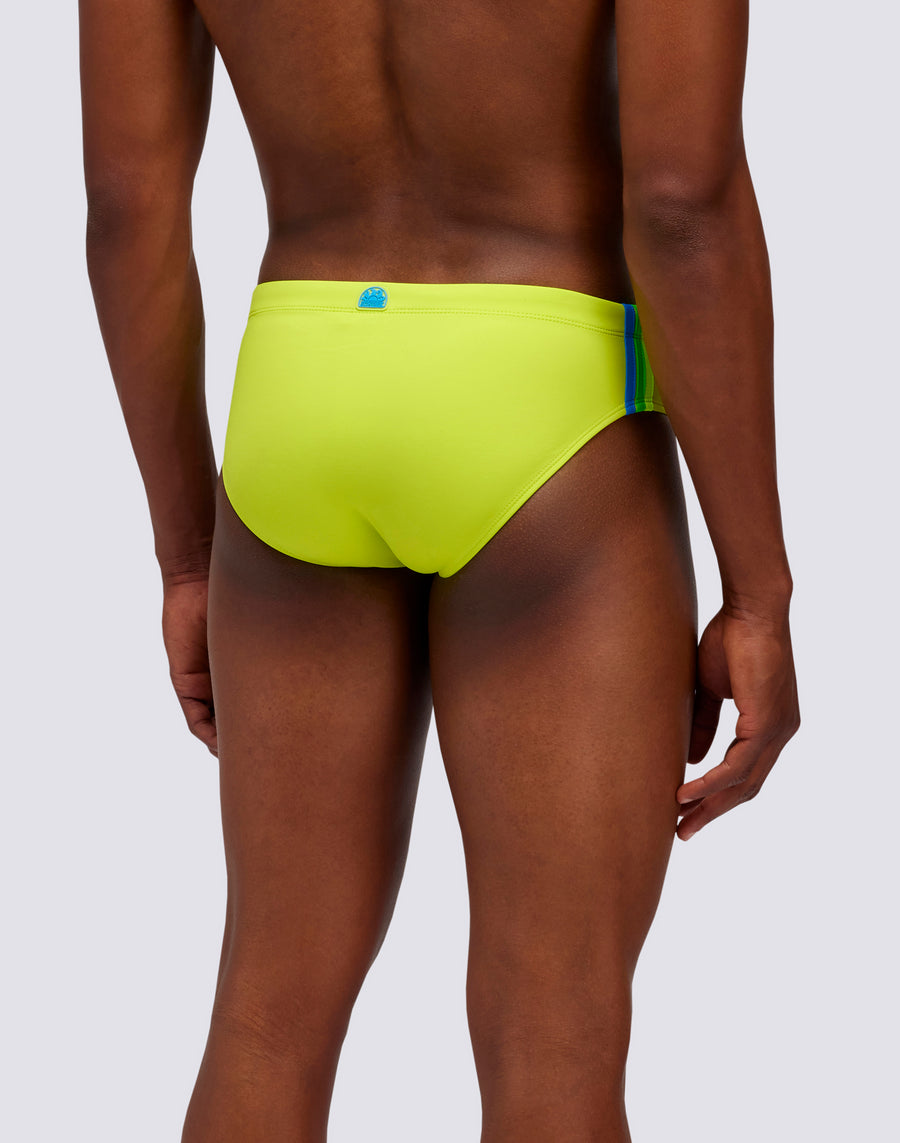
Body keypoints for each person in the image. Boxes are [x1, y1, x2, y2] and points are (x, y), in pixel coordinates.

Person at [78, 0, 800, 1138]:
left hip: (301, 389)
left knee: (266, 1017)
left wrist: (185, 553)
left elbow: (127, 208)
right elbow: (680, 201)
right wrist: (758, 593)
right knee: (553, 1033)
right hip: (548, 391)